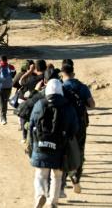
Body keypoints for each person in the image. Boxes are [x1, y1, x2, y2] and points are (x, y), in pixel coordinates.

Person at [29, 79, 78, 208]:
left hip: (41, 146)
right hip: (60, 148)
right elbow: (75, 128)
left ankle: (40, 195)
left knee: (40, 175)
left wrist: (31, 145)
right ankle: (53, 202)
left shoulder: (39, 104)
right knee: (57, 176)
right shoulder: (68, 107)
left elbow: (32, 124)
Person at [61, 61, 95, 195]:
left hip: (64, 124)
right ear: (73, 73)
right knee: (79, 152)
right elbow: (92, 105)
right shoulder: (82, 87)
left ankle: (62, 185)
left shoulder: (62, 87)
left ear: (63, 74)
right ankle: (76, 178)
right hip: (80, 125)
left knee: (63, 152)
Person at [0, 55, 16, 125]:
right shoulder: (11, 67)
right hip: (8, 87)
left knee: (1, 103)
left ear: (0, 60)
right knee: (5, 102)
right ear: (6, 60)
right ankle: (3, 117)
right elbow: (14, 74)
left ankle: (3, 119)